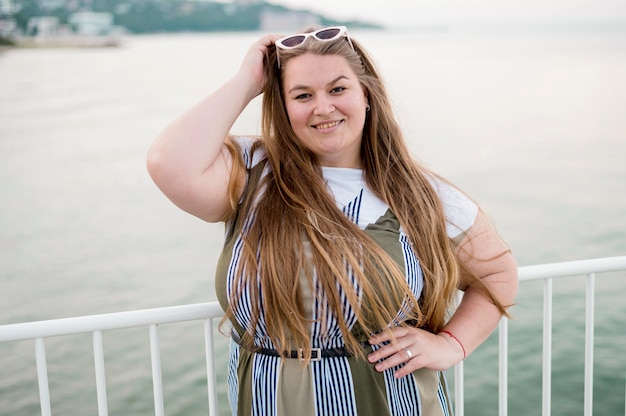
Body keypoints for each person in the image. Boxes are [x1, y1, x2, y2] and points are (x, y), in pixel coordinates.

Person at [147, 26, 518, 416]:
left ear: (367, 95)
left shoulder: (422, 195)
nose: (322, 108)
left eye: (338, 89)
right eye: (303, 95)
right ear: (282, 106)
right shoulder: (251, 172)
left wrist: (450, 345)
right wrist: (247, 81)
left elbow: (497, 275)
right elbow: (168, 164)